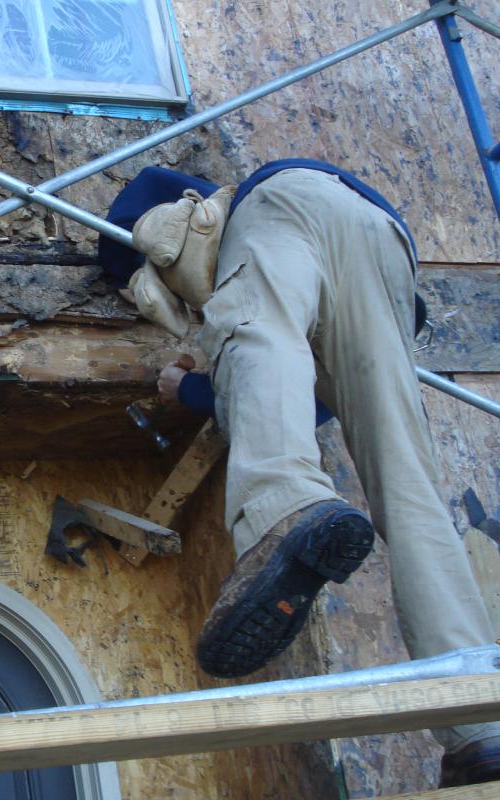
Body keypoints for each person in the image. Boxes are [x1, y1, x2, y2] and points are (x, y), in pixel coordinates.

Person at [105, 159, 500, 787]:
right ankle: (480, 721)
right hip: (384, 238)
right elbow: (307, 397)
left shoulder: (213, 219)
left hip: (280, 206)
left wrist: (187, 383)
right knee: (408, 485)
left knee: (255, 342)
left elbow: (255, 342)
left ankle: (282, 507)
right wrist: (208, 389)